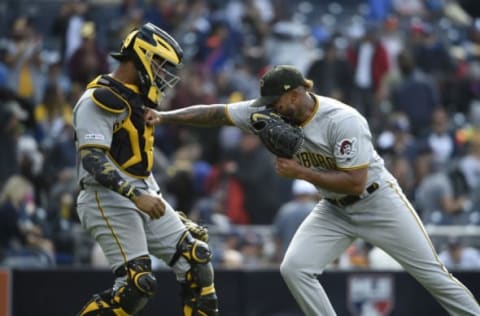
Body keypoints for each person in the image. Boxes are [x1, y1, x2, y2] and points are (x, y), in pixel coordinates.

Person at [144, 64, 480, 315]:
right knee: (295, 268)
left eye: (277, 101)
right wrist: (165, 117)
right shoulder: (269, 111)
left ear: (296, 94)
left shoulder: (342, 119)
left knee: (433, 275)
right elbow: (215, 113)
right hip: (334, 208)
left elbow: (355, 181)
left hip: (377, 201)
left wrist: (300, 172)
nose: (270, 108)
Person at [72, 23, 218, 316]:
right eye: (160, 64)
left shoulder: (137, 98)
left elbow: (139, 165)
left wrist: (159, 200)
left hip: (143, 193)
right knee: (136, 286)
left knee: (197, 260)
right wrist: (135, 195)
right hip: (106, 197)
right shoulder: (97, 100)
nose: (164, 74)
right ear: (142, 56)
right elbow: (93, 160)